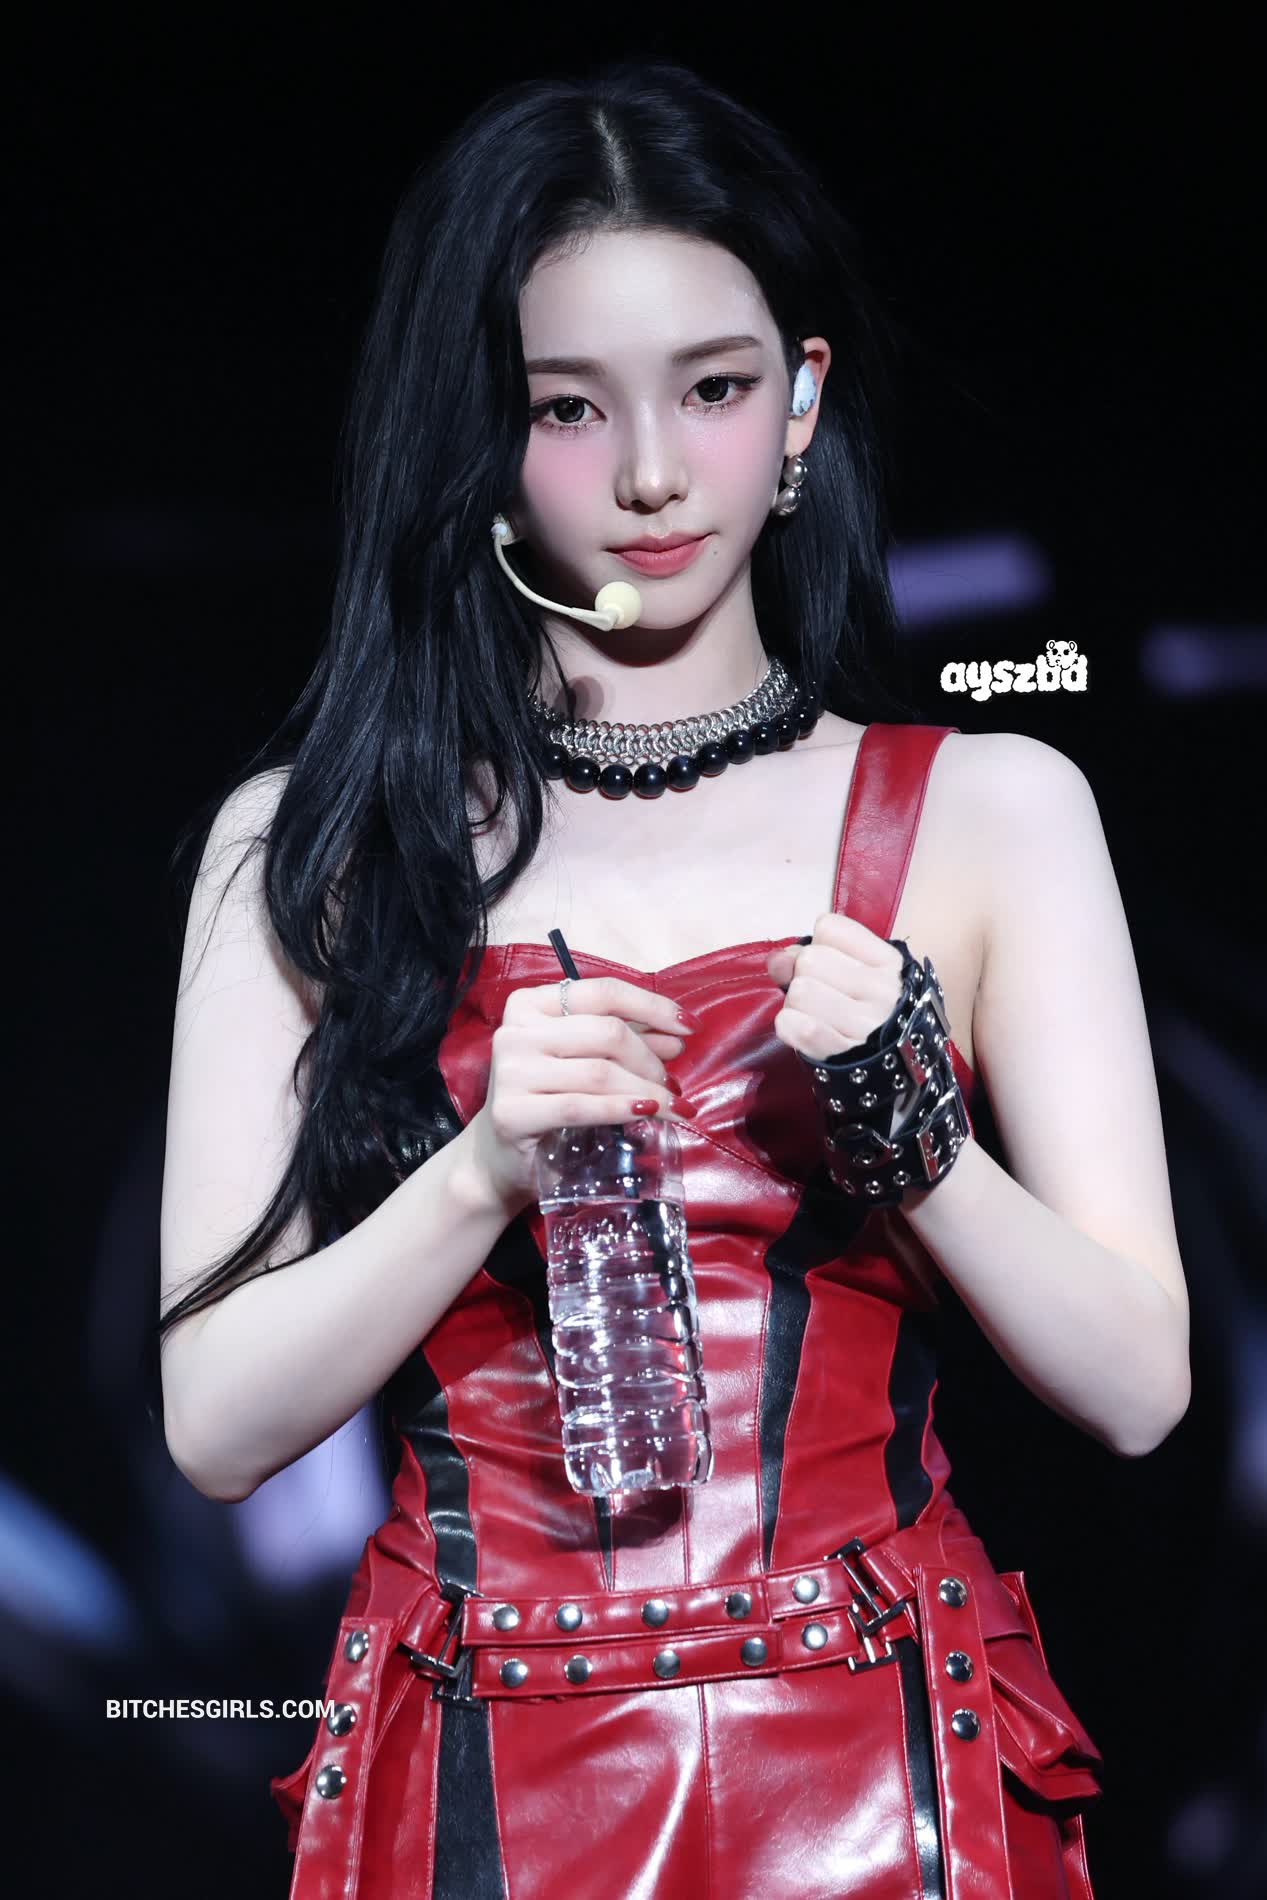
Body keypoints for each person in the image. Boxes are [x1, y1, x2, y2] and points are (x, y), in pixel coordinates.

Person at [156, 56, 1191, 1900]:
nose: (650, 473)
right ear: (481, 431)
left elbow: (1139, 1387)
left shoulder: (993, 810)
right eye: (568, 407)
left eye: (713, 388)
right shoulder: (310, 846)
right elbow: (216, 1427)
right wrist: (479, 1172)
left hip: (886, 1766)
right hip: (480, 1764)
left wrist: (915, 1132)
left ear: (802, 401)